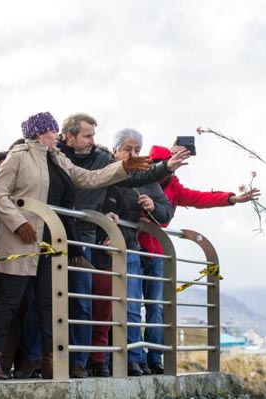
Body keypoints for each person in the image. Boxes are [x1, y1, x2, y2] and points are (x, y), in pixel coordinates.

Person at [0, 111, 153, 380]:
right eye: (52, 131)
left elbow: (87, 178)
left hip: (51, 239)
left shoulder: (57, 158)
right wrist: (17, 222)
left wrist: (123, 168)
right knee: (10, 302)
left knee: (50, 303)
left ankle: (52, 361)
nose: (57, 135)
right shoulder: (18, 156)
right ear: (39, 133)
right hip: (21, 238)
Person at [57, 113, 189, 378]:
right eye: (88, 136)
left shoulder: (103, 159)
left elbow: (127, 184)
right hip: (62, 235)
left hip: (98, 240)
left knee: (95, 304)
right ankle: (58, 360)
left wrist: (165, 168)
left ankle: (86, 362)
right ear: (69, 136)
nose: (93, 141)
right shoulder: (57, 157)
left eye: (94, 135)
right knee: (62, 302)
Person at [139, 145, 260, 374]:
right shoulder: (138, 180)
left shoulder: (174, 188)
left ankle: (154, 358)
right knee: (131, 307)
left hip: (156, 253)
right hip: (134, 248)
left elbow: (200, 198)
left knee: (156, 307)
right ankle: (133, 357)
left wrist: (231, 198)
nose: (168, 170)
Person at [88, 129, 174, 377]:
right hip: (104, 248)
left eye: (137, 150)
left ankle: (139, 359)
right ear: (116, 151)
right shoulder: (107, 172)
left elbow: (166, 211)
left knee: (137, 306)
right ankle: (122, 359)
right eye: (128, 149)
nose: (133, 154)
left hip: (132, 247)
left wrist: (153, 205)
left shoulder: (147, 177)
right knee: (112, 308)